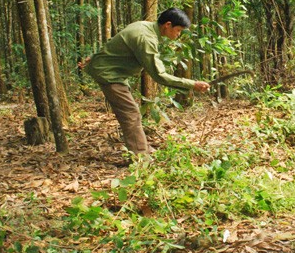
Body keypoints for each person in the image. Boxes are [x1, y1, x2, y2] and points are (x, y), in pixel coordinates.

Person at [82, 8, 211, 156]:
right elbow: (159, 75)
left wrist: (95, 57)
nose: (178, 35)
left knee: (131, 112)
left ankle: (141, 148)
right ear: (167, 25)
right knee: (130, 113)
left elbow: (115, 43)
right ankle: (140, 156)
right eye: (178, 30)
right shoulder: (146, 38)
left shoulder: (144, 26)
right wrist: (192, 84)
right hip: (109, 74)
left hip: (111, 71)